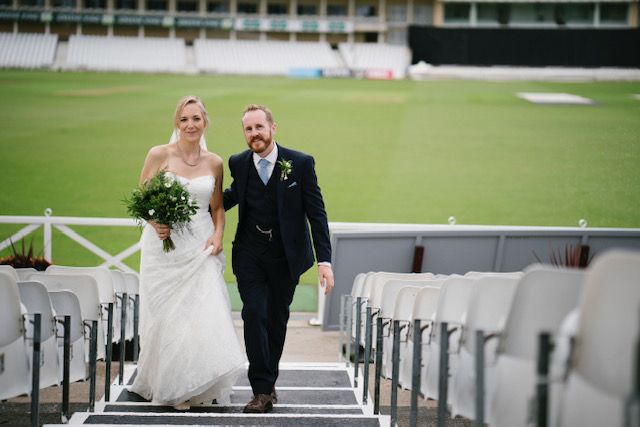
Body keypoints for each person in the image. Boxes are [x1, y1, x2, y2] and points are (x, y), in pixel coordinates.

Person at [129, 96, 246, 410]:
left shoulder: (215, 162)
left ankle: (195, 384)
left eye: (196, 118)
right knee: (167, 317)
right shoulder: (159, 154)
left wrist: (219, 234)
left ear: (205, 122)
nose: (190, 125)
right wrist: (156, 222)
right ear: (176, 123)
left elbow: (218, 207)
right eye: (184, 119)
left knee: (202, 315)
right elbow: (141, 198)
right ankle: (169, 384)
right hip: (163, 250)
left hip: (200, 245)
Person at [223, 104, 335, 414]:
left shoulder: (300, 163)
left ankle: (268, 383)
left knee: (277, 318)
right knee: (253, 313)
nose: (254, 134)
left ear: (273, 128)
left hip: (286, 255)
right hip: (248, 253)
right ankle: (260, 390)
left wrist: (324, 261)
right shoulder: (238, 163)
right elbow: (233, 195)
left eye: (259, 127)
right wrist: (192, 209)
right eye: (248, 129)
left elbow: (317, 213)